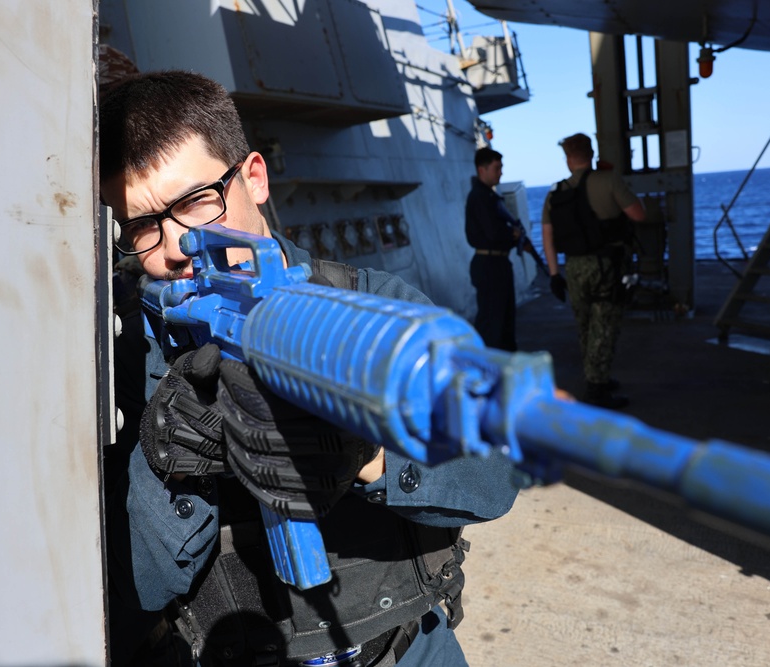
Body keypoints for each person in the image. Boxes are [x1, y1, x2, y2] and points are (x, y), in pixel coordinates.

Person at [100, 70, 519, 667]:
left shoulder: (374, 304)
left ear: (254, 177)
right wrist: (170, 463)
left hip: (407, 652)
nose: (175, 248)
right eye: (142, 225)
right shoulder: (124, 359)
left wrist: (365, 451)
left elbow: (495, 473)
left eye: (195, 201)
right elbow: (130, 593)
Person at [540, 133, 646, 410]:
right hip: (605, 265)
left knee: (585, 325)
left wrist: (553, 274)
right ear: (592, 153)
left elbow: (547, 237)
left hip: (574, 267)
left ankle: (596, 375)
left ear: (568, 159)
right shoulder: (607, 180)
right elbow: (638, 214)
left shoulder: (556, 193)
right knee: (605, 325)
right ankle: (596, 389)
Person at [464, 147, 520, 352]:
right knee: (493, 322)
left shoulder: (487, 196)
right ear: (482, 169)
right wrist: (512, 234)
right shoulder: (480, 197)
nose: (501, 172)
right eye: (497, 168)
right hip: (490, 265)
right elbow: (493, 233)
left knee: (503, 319)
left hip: (497, 263)